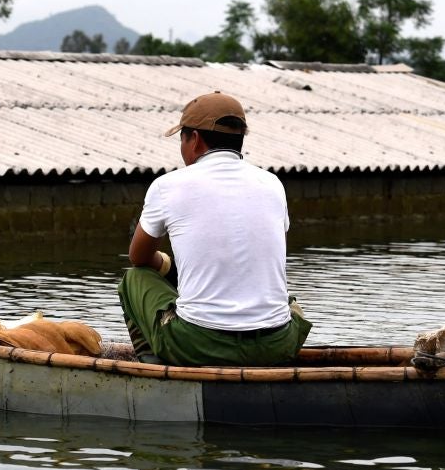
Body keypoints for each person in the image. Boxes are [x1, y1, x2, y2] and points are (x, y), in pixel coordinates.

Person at [118, 91, 312, 366]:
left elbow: (138, 258)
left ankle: (154, 364)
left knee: (134, 279)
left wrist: (164, 265)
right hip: (277, 344)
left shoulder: (167, 186)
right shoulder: (273, 185)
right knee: (288, 303)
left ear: (194, 140)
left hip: (199, 345)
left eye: (182, 139)